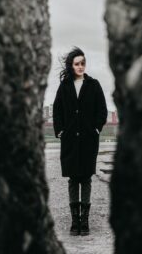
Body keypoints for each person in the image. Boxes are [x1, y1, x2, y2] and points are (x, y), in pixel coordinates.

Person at [52, 47, 108, 236]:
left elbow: (102, 110)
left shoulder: (94, 85)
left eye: (83, 63)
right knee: (73, 178)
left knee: (86, 178)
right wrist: (59, 130)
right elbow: (57, 110)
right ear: (71, 65)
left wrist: (97, 128)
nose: (81, 66)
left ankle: (84, 222)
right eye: (77, 63)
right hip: (69, 140)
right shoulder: (65, 86)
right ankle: (74, 222)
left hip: (88, 140)